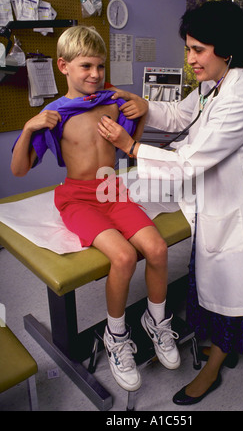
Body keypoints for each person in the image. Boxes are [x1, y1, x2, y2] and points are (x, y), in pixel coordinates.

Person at [99, 0, 243, 405]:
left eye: (198, 50)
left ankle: (215, 367)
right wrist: (146, 106)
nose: (190, 59)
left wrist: (131, 146)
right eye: (188, 49)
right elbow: (183, 116)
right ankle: (217, 347)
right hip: (217, 204)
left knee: (233, 290)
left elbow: (186, 164)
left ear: (226, 49)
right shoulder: (213, 85)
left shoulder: (238, 97)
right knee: (212, 281)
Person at [10, 25, 181, 392]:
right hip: (77, 197)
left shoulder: (113, 101)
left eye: (100, 66)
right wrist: (28, 128)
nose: (95, 74)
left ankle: (156, 322)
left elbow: (128, 145)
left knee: (156, 248)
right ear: (63, 66)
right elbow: (19, 169)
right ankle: (115, 336)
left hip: (114, 189)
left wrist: (144, 112)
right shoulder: (55, 114)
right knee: (122, 257)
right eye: (86, 66)